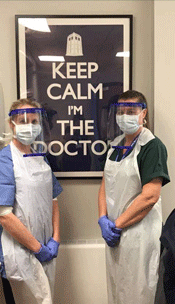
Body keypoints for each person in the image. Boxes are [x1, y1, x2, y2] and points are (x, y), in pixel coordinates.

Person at [0, 98, 63, 304]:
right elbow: (5, 216)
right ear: (12, 124)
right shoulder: (1, 163)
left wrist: (55, 238)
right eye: (23, 120)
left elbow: (53, 200)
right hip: (19, 254)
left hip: (46, 249)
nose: (29, 126)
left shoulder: (41, 158)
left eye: (34, 121)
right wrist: (36, 248)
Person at [98, 90, 170, 304]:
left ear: (143, 113)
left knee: (138, 294)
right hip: (114, 235)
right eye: (121, 111)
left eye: (131, 111)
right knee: (117, 290)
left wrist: (117, 225)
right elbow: (104, 185)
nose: (125, 116)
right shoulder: (115, 146)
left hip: (139, 236)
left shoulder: (152, 146)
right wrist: (103, 218)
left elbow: (150, 196)